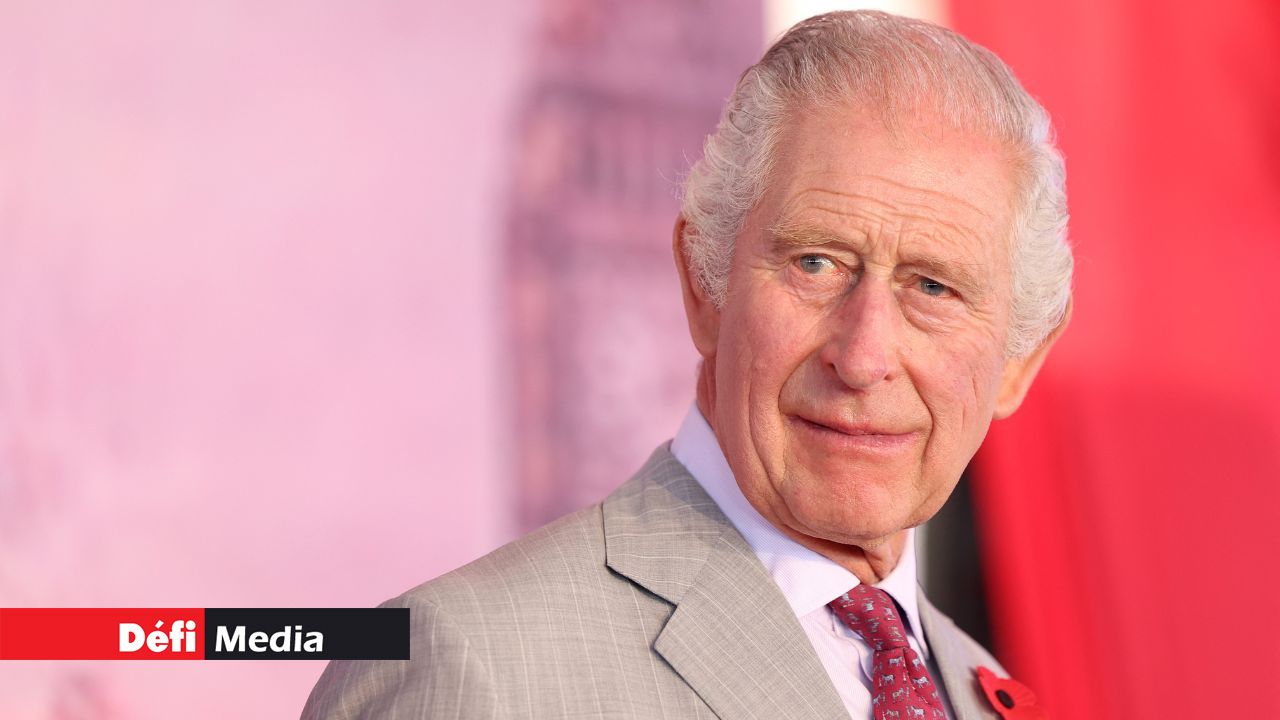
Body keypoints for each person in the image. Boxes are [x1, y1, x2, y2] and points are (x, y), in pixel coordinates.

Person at [302, 10, 1071, 720]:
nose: (864, 357)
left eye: (932, 287)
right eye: (815, 263)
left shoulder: (979, 686)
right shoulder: (469, 665)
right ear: (704, 285)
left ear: (1018, 361)